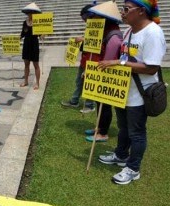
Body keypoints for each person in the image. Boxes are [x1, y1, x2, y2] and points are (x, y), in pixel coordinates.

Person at [98, 0, 166, 185]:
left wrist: (119, 63)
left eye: (126, 9)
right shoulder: (129, 31)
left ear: (142, 11)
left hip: (140, 94)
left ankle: (133, 168)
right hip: (123, 91)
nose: (122, 12)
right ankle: (120, 155)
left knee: (136, 133)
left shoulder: (153, 33)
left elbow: (151, 68)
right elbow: (124, 56)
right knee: (123, 128)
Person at [84, 1, 123, 143]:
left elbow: (108, 59)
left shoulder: (113, 36)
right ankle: (99, 128)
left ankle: (103, 132)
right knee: (99, 103)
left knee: (104, 104)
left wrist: (95, 73)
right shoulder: (106, 33)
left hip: (107, 76)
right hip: (100, 72)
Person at [60, 4, 97, 113]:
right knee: (79, 81)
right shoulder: (90, 26)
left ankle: (90, 105)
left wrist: (83, 39)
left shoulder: (99, 26)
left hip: (93, 60)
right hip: (85, 59)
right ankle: (74, 101)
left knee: (90, 82)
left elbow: (96, 44)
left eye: (85, 18)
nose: (84, 21)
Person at [20, 2, 42, 90]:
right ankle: (26, 81)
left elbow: (40, 35)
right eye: (29, 12)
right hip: (26, 45)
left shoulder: (38, 22)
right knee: (26, 64)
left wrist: (45, 34)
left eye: (32, 13)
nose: (30, 14)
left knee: (36, 64)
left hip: (34, 44)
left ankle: (37, 83)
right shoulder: (24, 22)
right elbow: (22, 34)